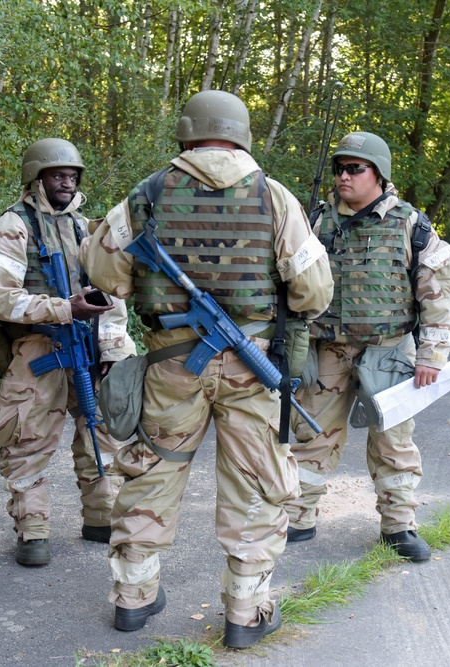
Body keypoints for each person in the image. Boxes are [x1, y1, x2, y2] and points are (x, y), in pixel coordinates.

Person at [79, 90, 333, 648]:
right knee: (256, 480)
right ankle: (246, 611)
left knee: (154, 471)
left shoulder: (146, 195)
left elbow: (100, 269)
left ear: (187, 133)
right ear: (241, 133)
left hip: (172, 366)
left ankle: (133, 598)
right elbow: (314, 292)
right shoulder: (275, 198)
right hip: (252, 362)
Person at [286, 131, 450, 562]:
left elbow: (436, 292)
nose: (344, 176)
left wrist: (431, 356)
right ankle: (298, 517)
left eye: (355, 168)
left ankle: (399, 526)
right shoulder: (316, 222)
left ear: (378, 175)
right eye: (339, 168)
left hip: (389, 350)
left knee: (393, 442)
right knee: (311, 436)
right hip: (327, 349)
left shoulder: (409, 224)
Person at [0, 138, 136, 567]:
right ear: (36, 179)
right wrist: (64, 308)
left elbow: (113, 292)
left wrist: (112, 344)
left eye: (72, 175)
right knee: (26, 436)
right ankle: (33, 530)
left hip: (89, 342)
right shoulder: (12, 228)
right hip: (39, 345)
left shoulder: (87, 229)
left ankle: (101, 516)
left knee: (100, 428)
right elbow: (3, 301)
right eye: (57, 175)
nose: (66, 182)